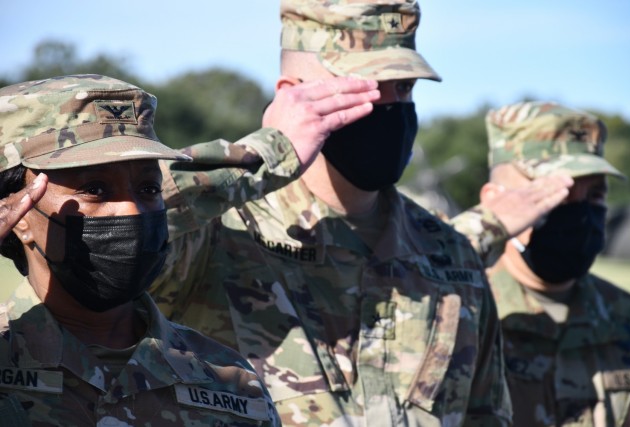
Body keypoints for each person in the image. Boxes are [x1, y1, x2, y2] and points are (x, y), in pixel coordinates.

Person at [150, 1, 536, 425]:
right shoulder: (216, 229)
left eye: (404, 88)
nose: (389, 107)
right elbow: (113, 219)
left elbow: (486, 415)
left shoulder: (449, 255)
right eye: (364, 86)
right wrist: (264, 152)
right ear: (290, 94)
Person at [0, 73, 379, 425]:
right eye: (95, 189)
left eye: (148, 189)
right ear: (18, 215)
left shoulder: (230, 381)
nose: (132, 210)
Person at [474, 101, 630, 426]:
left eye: (594, 196)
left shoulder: (629, 319)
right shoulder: (466, 317)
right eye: (557, 194)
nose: (578, 213)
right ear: (493, 200)